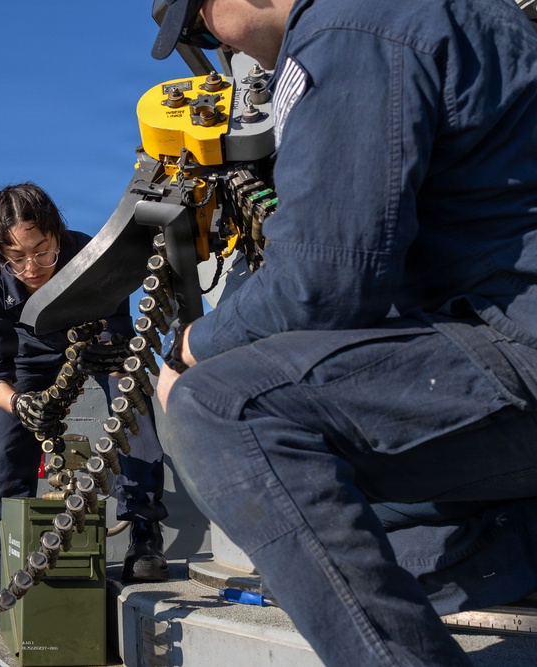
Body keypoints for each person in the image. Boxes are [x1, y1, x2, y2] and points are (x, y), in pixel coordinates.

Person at [149, 0, 537, 665]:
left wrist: (191, 348)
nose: (211, 41)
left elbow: (325, 283)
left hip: (519, 343)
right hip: (503, 328)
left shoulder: (341, 30)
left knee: (222, 411)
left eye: (198, 23)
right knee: (346, 509)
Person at [0, 182, 169, 622]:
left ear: (58, 233)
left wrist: (118, 367)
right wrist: (20, 404)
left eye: (42, 251)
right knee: (7, 459)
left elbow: (118, 332)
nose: (31, 266)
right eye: (15, 258)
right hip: (28, 363)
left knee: (132, 404)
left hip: (94, 343)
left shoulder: (95, 257)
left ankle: (144, 531)